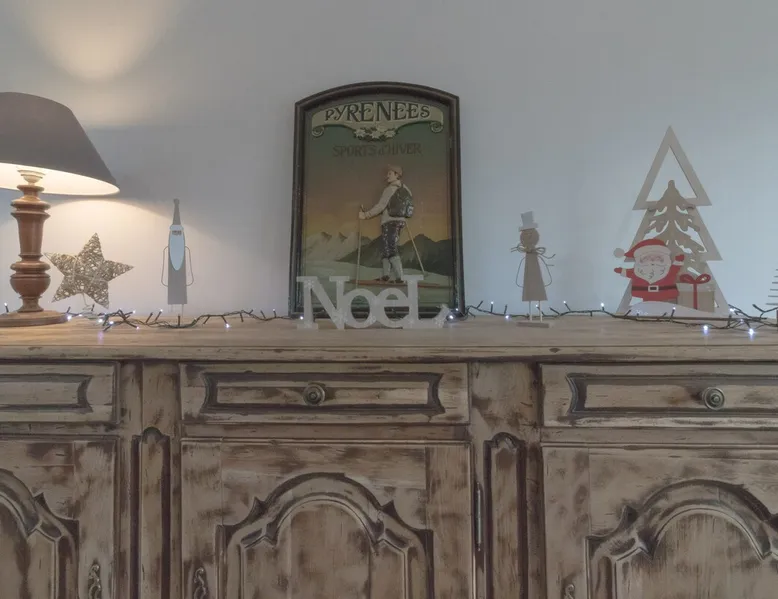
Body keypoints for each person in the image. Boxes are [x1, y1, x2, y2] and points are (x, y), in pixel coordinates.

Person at [359, 165, 410, 282]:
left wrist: (365, 215)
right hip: (400, 221)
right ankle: (386, 275)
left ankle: (400, 277)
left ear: (397, 175)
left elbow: (381, 206)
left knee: (389, 247)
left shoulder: (389, 189)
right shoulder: (405, 189)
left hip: (389, 222)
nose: (387, 176)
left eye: (390, 173)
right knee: (388, 246)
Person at [614, 238, 684, 303]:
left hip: (666, 294)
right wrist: (621, 270)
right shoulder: (638, 271)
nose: (652, 261)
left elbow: (674, 269)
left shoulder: (667, 270)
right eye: (647, 258)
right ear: (640, 260)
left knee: (666, 305)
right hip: (642, 294)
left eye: (657, 258)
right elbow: (630, 273)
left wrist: (678, 261)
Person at [161, 198, 194, 313]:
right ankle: (172, 307)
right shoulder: (171, 245)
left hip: (180, 267)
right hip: (173, 267)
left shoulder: (182, 245)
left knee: (180, 281)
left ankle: (181, 305)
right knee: (173, 280)